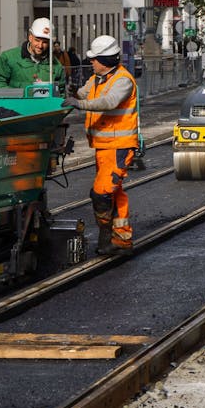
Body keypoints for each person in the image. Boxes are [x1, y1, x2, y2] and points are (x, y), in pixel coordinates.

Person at [64, 35, 139, 255]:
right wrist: (67, 93)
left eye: (95, 59)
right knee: (114, 193)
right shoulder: (97, 79)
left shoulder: (122, 80)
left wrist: (79, 104)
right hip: (103, 146)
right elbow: (82, 93)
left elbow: (108, 102)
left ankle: (107, 236)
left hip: (119, 146)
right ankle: (121, 238)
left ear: (105, 59)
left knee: (102, 193)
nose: (92, 63)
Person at [0, 18, 67, 91]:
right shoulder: (9, 58)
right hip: (14, 105)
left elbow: (60, 93)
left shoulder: (56, 66)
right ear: (30, 37)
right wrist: (15, 98)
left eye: (45, 42)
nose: (40, 46)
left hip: (42, 106)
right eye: (37, 40)